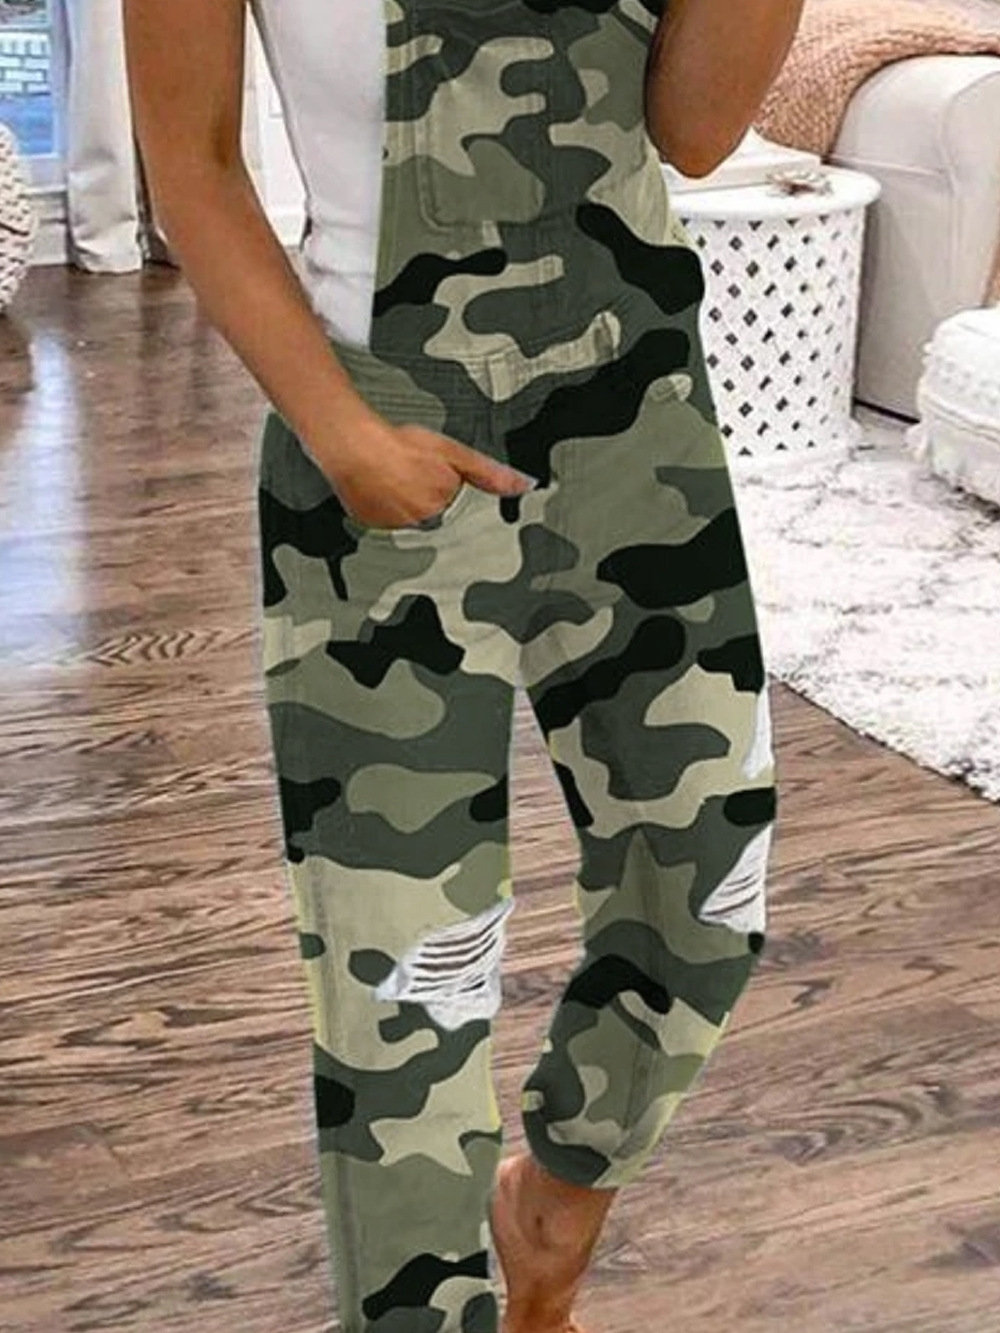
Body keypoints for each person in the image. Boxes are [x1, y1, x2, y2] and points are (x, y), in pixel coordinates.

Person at [125, 1, 802, 1329]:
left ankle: (551, 1203)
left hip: (638, 428)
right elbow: (190, 161)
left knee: (703, 888)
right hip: (380, 438)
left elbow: (696, 131)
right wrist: (340, 430)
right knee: (403, 989)